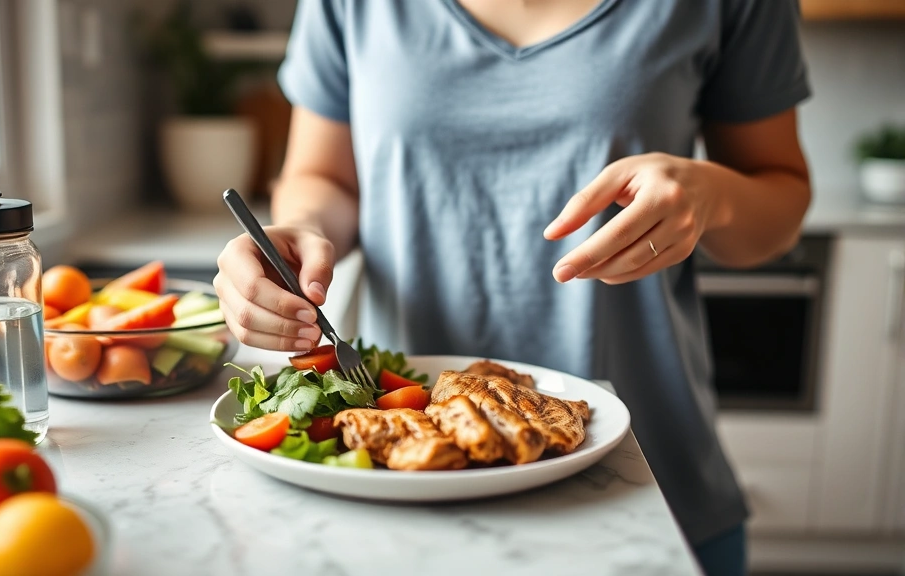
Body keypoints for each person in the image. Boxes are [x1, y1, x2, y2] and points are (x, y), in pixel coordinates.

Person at [214, 1, 812, 575]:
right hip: (403, 481)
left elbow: (778, 208)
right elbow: (321, 178)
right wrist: (296, 236)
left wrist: (711, 195)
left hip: (647, 483)